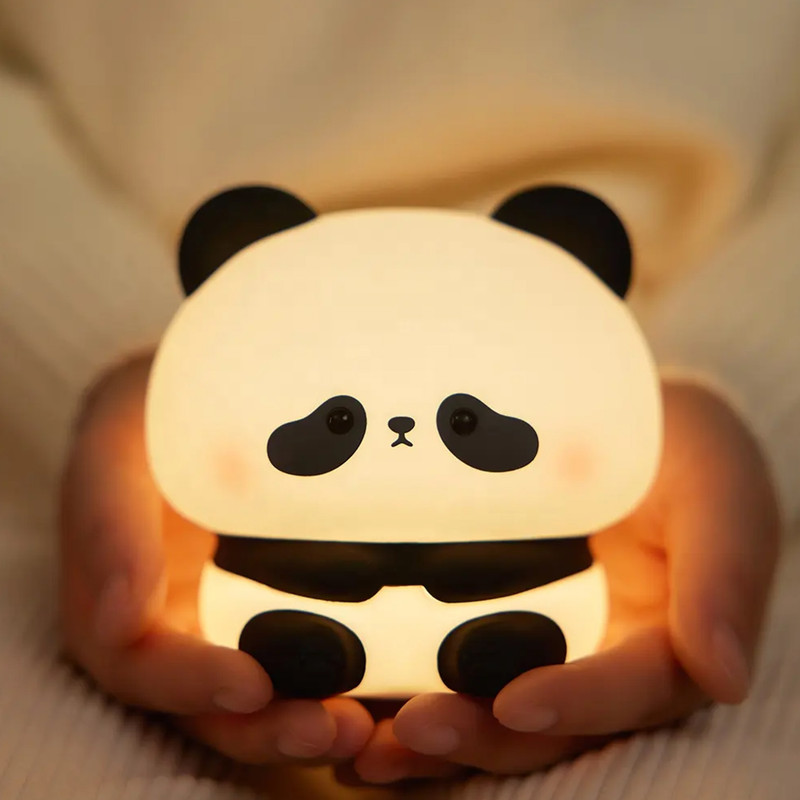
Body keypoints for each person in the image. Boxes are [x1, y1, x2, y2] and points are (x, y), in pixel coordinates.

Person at [2, 0, 795, 788]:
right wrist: (128, 362)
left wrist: (740, 384)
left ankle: (504, 640)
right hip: (75, 485)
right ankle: (298, 639)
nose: (404, 436)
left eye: (463, 420)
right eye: (342, 420)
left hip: (674, 472)